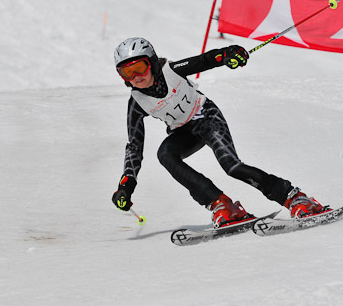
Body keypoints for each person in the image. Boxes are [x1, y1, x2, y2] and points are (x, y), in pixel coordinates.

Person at [111, 37, 327, 228]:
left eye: (140, 67)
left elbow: (204, 60)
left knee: (232, 167)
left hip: (207, 118)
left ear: (152, 63)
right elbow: (134, 147)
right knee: (165, 154)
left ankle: (295, 198)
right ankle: (221, 204)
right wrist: (126, 184)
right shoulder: (137, 103)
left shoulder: (171, 71)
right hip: (184, 132)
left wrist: (228, 54)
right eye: (127, 72)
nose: (136, 76)